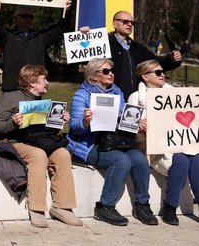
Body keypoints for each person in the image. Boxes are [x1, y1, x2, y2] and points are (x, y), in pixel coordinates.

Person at [67, 58, 157, 226]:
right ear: (94, 75)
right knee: (121, 160)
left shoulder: (117, 92)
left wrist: (135, 123)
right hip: (88, 145)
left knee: (139, 158)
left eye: (111, 71)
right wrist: (86, 122)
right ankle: (105, 206)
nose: (111, 74)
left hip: (113, 141)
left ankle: (142, 204)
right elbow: (74, 128)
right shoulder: (82, 95)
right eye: (106, 71)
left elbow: (123, 120)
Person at [128, 60, 199, 229]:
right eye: (158, 72)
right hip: (154, 147)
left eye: (163, 72)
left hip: (180, 142)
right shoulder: (136, 98)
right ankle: (170, 206)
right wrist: (139, 126)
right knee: (180, 161)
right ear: (145, 76)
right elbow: (129, 126)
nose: (163, 75)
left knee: (196, 159)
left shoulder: (175, 95)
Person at [0, 65, 81, 228]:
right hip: (15, 142)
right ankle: (37, 208)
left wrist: (60, 121)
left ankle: (62, 206)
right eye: (44, 79)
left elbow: (44, 132)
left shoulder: (43, 102)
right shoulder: (12, 98)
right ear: (31, 82)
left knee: (63, 154)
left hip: (38, 142)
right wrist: (13, 121)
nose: (47, 83)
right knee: (38, 156)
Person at [0, 0, 72, 93]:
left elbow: (61, 29)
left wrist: (66, 9)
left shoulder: (40, 37)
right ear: (15, 18)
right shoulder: (8, 36)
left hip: (35, 89)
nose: (28, 19)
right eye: (24, 16)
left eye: (31, 17)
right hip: (12, 88)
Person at [108, 11, 181, 99]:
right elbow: (90, 65)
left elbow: (156, 63)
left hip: (136, 99)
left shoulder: (137, 47)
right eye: (125, 21)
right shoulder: (105, 45)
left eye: (132, 22)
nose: (129, 24)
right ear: (114, 24)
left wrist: (171, 59)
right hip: (112, 97)